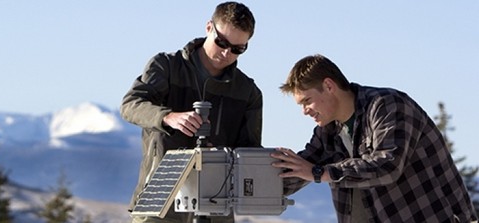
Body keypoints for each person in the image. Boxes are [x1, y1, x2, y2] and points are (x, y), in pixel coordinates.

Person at [271, 54, 478, 223]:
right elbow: (298, 171)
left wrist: (319, 172)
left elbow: (387, 166)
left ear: (329, 86)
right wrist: (250, 182)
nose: (304, 111)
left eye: (307, 101)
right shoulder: (328, 131)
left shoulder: (388, 106)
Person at [121, 2, 261, 223]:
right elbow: (131, 105)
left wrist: (223, 154)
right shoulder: (166, 66)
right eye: (222, 42)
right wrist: (167, 117)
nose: (226, 53)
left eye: (237, 49)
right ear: (208, 27)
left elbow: (249, 151)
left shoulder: (248, 92)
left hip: (216, 202)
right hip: (159, 196)